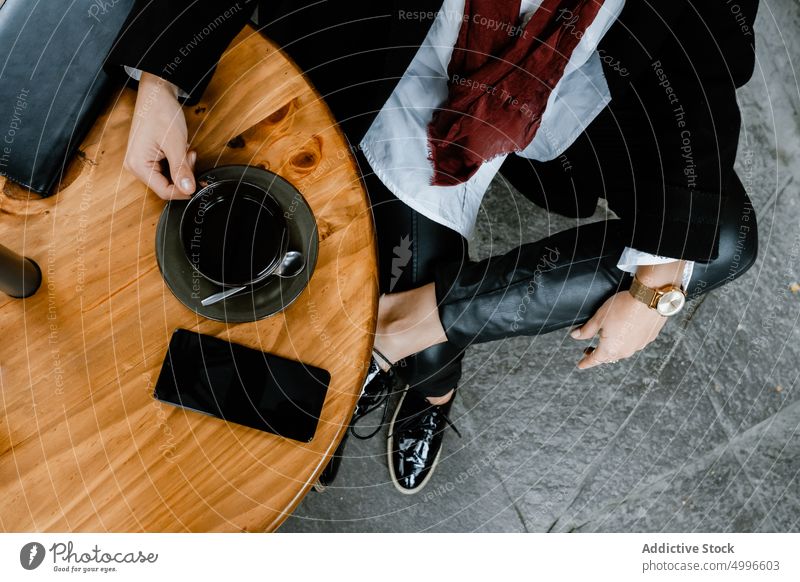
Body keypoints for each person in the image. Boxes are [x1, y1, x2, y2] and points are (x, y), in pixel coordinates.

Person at [109, 0, 759, 494]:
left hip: (578, 94)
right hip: (412, 55)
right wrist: (162, 78)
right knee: (368, 305)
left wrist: (661, 284)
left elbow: (709, 46)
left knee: (721, 238)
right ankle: (424, 359)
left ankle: (410, 329)